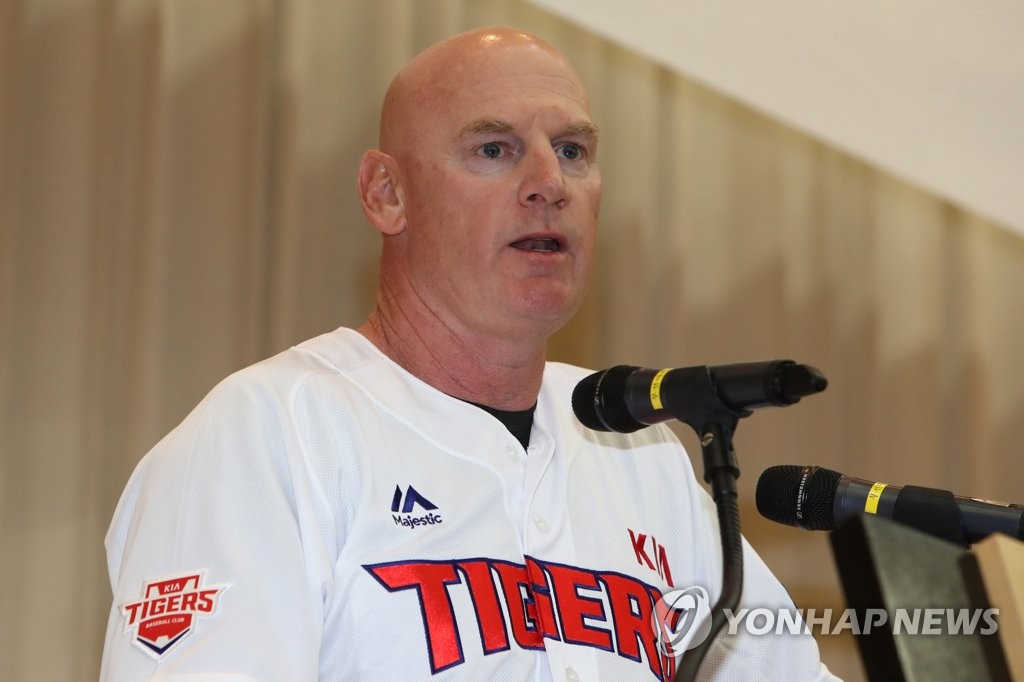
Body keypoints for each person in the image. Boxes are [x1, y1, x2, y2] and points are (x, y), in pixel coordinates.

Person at [100, 27, 838, 681]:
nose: (549, 185)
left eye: (573, 151)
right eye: (494, 149)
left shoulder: (639, 450)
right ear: (386, 194)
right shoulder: (272, 433)